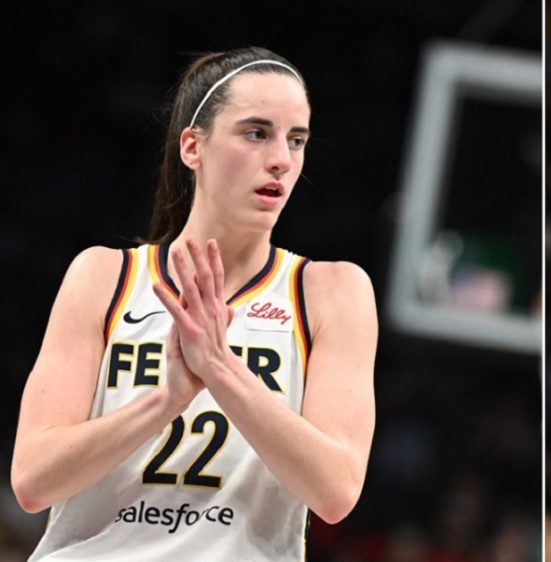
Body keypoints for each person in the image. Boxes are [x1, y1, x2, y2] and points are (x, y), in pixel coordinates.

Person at [11, 47, 377, 561]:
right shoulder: (104, 276)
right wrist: (165, 400)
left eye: (296, 140)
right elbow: (32, 480)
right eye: (256, 133)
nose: (281, 158)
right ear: (192, 146)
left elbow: (336, 491)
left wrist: (222, 372)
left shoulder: (332, 291)